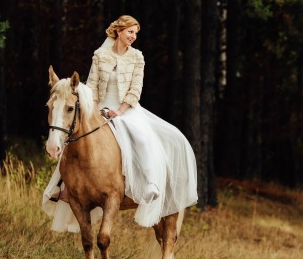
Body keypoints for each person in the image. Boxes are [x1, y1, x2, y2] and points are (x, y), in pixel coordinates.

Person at [43, 15, 198, 231]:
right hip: (100, 107)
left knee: (142, 138)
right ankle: (65, 187)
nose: (133, 37)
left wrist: (120, 110)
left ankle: (151, 183)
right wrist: (95, 110)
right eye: (130, 32)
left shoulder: (137, 57)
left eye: (135, 33)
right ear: (119, 31)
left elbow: (136, 89)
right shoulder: (100, 55)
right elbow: (93, 84)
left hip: (126, 109)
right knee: (76, 138)